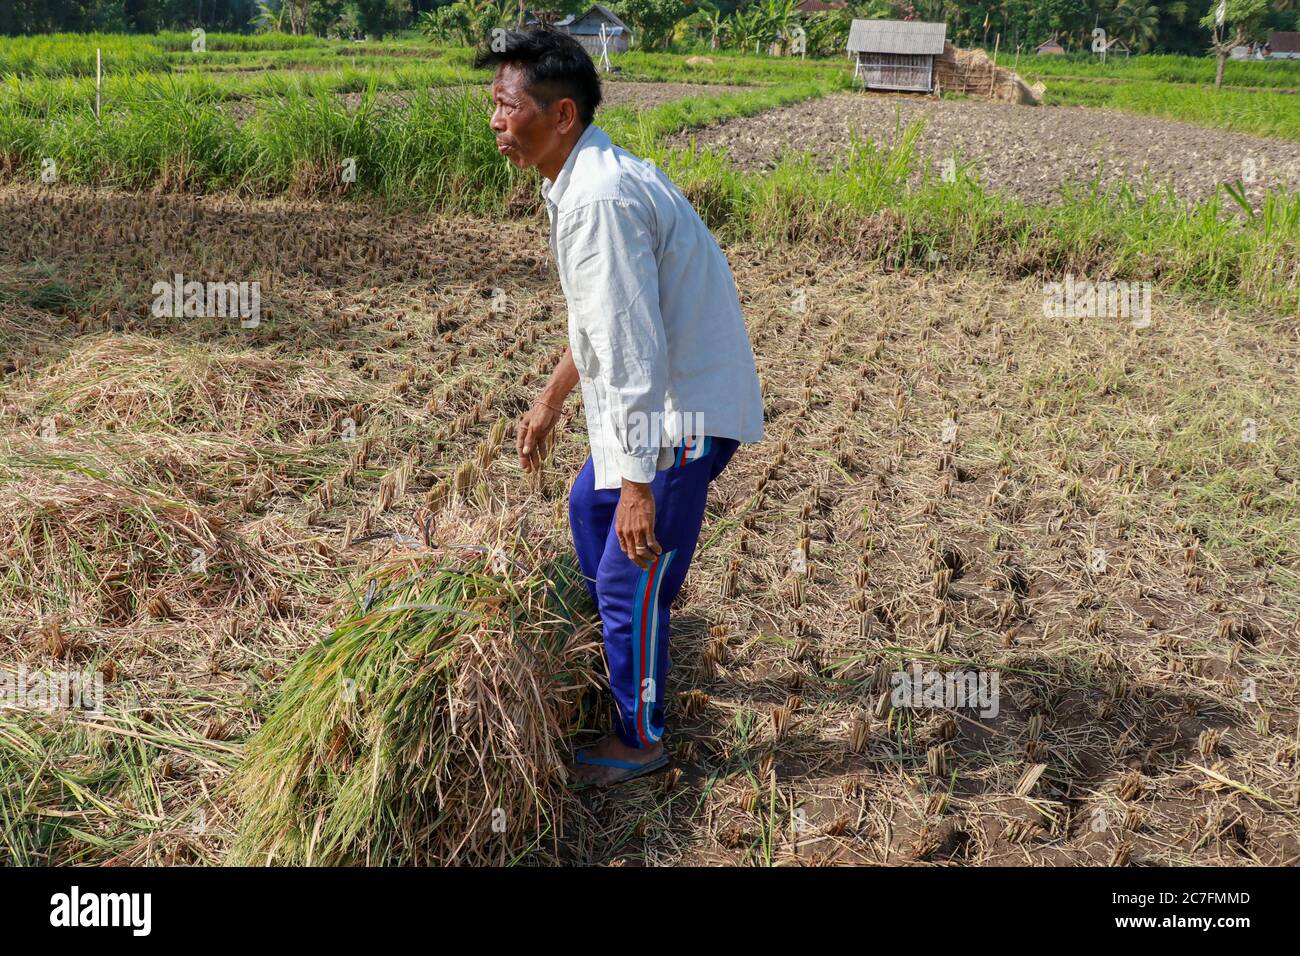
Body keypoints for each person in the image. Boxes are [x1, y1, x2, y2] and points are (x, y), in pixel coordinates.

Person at [476, 29, 764, 788]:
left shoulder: (598, 197)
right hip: (663, 407)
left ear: (561, 114)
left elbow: (633, 346)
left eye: (508, 106)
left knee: (626, 571)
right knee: (588, 510)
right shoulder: (577, 181)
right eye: (494, 104)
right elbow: (597, 322)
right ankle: (634, 651)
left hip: (682, 415)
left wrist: (638, 482)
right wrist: (548, 402)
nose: (496, 120)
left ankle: (642, 738)